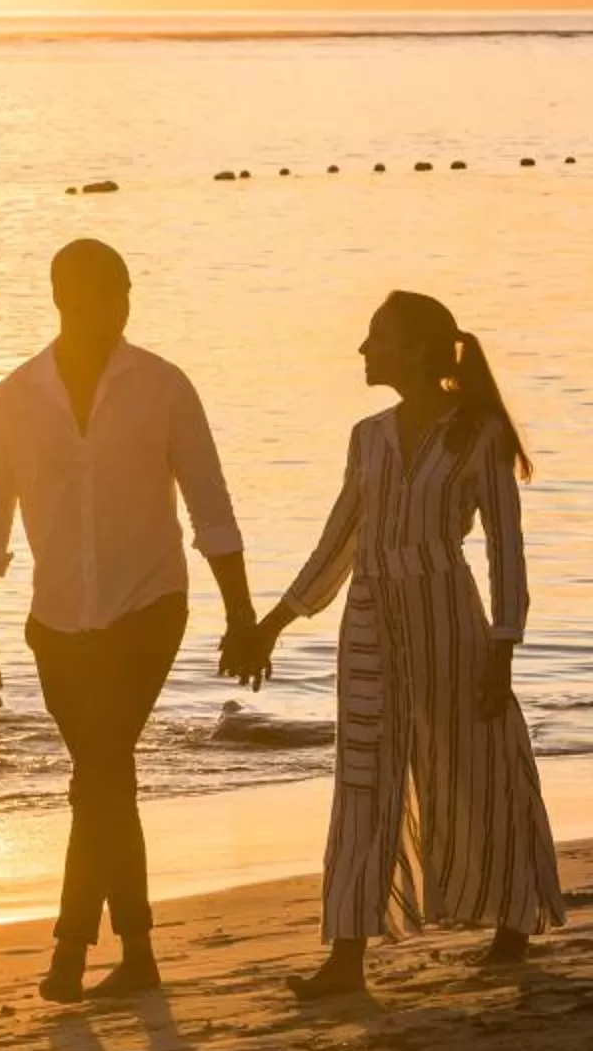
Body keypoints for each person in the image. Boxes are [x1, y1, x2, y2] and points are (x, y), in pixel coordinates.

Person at [0, 239, 263, 1003]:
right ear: (63, 296)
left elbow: (211, 505)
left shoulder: (162, 387)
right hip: (57, 621)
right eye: (104, 294)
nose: (119, 307)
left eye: (125, 292)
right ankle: (138, 957)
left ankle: (69, 949)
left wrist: (241, 613)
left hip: (148, 609)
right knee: (102, 778)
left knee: (100, 771)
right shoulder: (15, 397)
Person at [237, 291, 564, 999]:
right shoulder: (368, 436)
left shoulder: (478, 435)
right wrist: (272, 623)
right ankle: (346, 957)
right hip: (369, 621)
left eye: (376, 338)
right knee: (364, 778)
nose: (362, 350)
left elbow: (507, 548)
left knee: (481, 766)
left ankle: (513, 920)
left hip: (450, 616)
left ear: (415, 350)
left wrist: (503, 645)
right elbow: (339, 541)